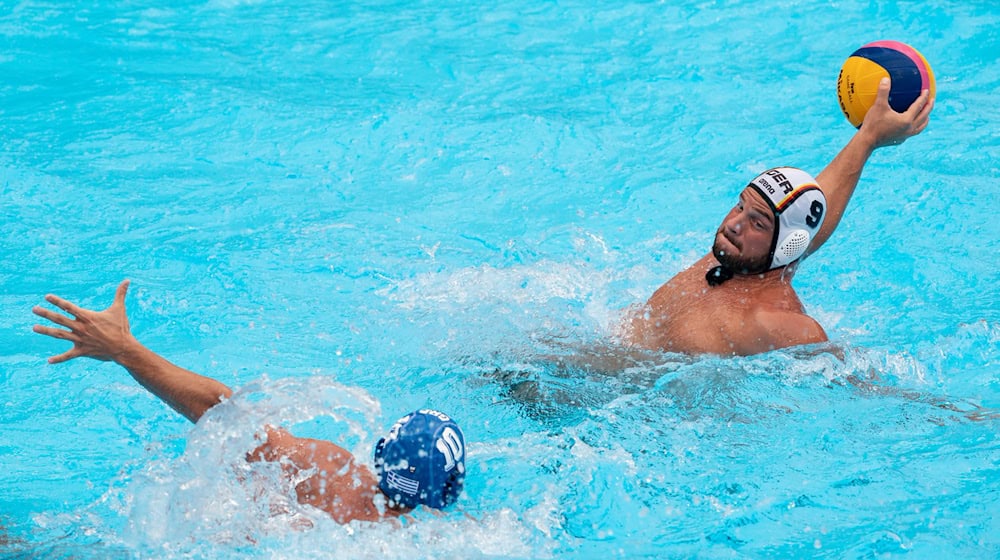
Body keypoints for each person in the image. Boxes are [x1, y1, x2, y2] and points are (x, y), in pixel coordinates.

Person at [31, 280, 467, 525]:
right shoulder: (454, 540)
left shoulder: (330, 472)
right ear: (450, 487)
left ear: (382, 452)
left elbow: (222, 413)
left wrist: (126, 349)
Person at [622, 78, 934, 356]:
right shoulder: (736, 257)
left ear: (787, 245)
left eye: (757, 222)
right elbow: (807, 214)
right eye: (740, 206)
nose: (733, 224)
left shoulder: (778, 323)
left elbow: (854, 388)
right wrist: (868, 137)